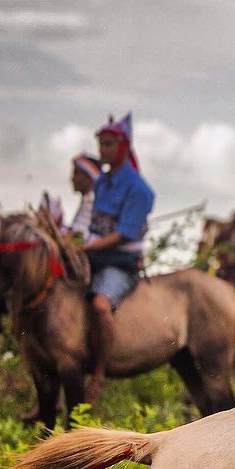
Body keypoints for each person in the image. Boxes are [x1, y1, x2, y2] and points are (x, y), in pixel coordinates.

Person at [81, 113, 154, 403]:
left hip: (121, 262)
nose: (103, 150)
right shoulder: (101, 182)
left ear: (123, 147)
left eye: (109, 144)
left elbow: (124, 234)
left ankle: (99, 373)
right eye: (101, 144)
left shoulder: (139, 189)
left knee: (100, 305)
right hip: (95, 255)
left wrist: (89, 247)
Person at [68, 154, 101, 238]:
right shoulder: (87, 199)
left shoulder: (92, 201)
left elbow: (79, 236)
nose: (72, 179)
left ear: (89, 177)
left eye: (76, 173)